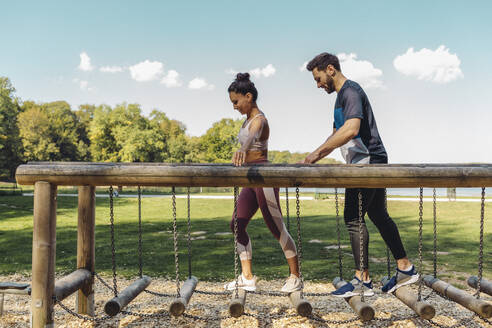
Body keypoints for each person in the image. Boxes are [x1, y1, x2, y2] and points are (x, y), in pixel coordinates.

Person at [301, 53, 419, 297]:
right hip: (363, 161)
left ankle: (362, 280)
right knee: (377, 214)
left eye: (318, 78)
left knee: (353, 217)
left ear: (330, 69)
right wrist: (315, 155)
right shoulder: (339, 100)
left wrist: (317, 153)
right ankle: (405, 268)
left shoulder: (351, 92)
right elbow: (336, 135)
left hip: (368, 162)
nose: (318, 84)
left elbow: (351, 129)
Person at [224, 73, 302, 293]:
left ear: (248, 96)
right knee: (236, 224)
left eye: (236, 102)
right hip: (250, 180)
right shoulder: (247, 119)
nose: (234, 106)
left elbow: (252, 135)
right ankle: (247, 277)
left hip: (264, 178)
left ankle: (295, 276)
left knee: (277, 228)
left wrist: (243, 149)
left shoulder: (260, 119)